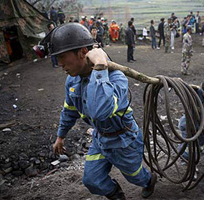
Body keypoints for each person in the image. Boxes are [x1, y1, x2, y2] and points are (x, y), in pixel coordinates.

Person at [51, 23, 157, 199]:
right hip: (100, 139)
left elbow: (100, 110)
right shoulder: (72, 82)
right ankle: (116, 195)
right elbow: (69, 112)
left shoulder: (116, 78)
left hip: (124, 140)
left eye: (62, 57)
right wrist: (60, 136)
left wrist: (100, 65)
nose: (60, 64)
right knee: (92, 180)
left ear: (83, 52)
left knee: (135, 176)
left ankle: (148, 180)